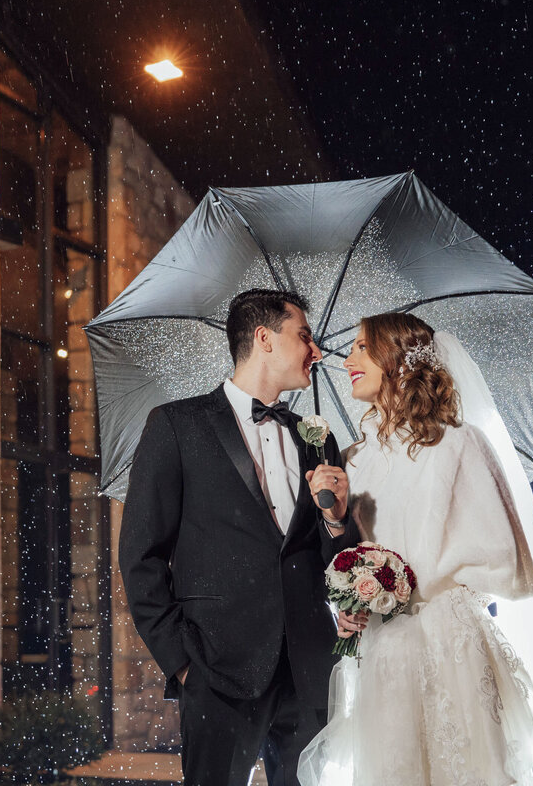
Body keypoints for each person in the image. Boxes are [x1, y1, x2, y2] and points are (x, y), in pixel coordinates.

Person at [299, 312, 533, 786]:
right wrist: (348, 561)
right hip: (383, 649)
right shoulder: (353, 460)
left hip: (448, 643)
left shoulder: (459, 444)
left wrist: (412, 581)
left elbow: (500, 554)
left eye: (361, 347)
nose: (347, 360)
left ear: (395, 358)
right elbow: (353, 553)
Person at [120, 289, 365, 786]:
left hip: (308, 669)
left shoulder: (318, 438)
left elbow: (338, 559)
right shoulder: (176, 426)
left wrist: (337, 521)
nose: (316, 351)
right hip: (216, 669)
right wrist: (183, 662)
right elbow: (140, 555)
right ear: (264, 338)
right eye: (304, 336)